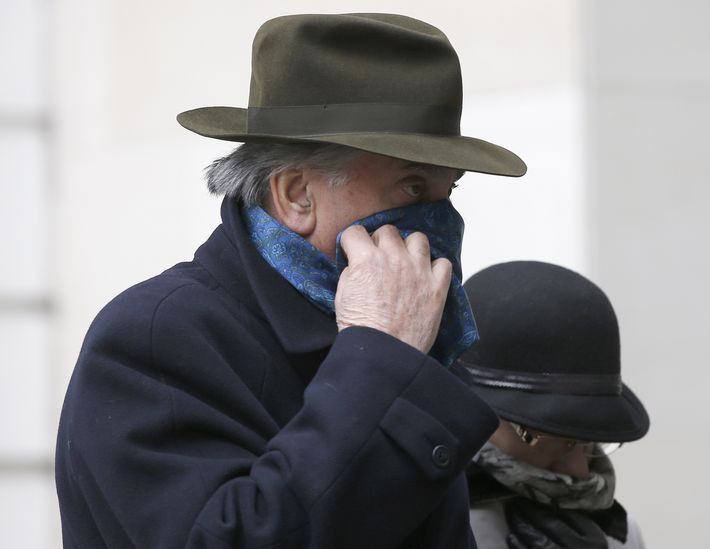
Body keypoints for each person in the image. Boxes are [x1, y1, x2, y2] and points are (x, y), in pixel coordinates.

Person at [55, 13, 527, 549]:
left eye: (449, 193)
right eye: (412, 186)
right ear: (297, 195)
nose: (438, 223)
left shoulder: (408, 337)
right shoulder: (157, 335)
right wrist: (379, 360)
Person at [459, 261, 650, 549]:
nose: (580, 471)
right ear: (475, 413)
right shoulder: (414, 522)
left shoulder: (617, 534)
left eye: (590, 444)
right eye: (557, 440)